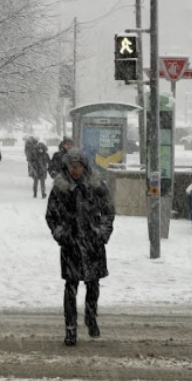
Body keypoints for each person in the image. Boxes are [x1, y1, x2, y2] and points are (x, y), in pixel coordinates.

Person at [45, 147, 115, 347]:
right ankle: (70, 328)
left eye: (78, 166)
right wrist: (61, 234)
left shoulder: (96, 186)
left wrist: (102, 233)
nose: (75, 170)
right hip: (71, 244)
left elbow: (108, 211)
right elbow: (51, 215)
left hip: (93, 243)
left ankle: (91, 318)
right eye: (71, 167)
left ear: (84, 167)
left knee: (93, 285)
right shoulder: (60, 189)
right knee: (71, 287)